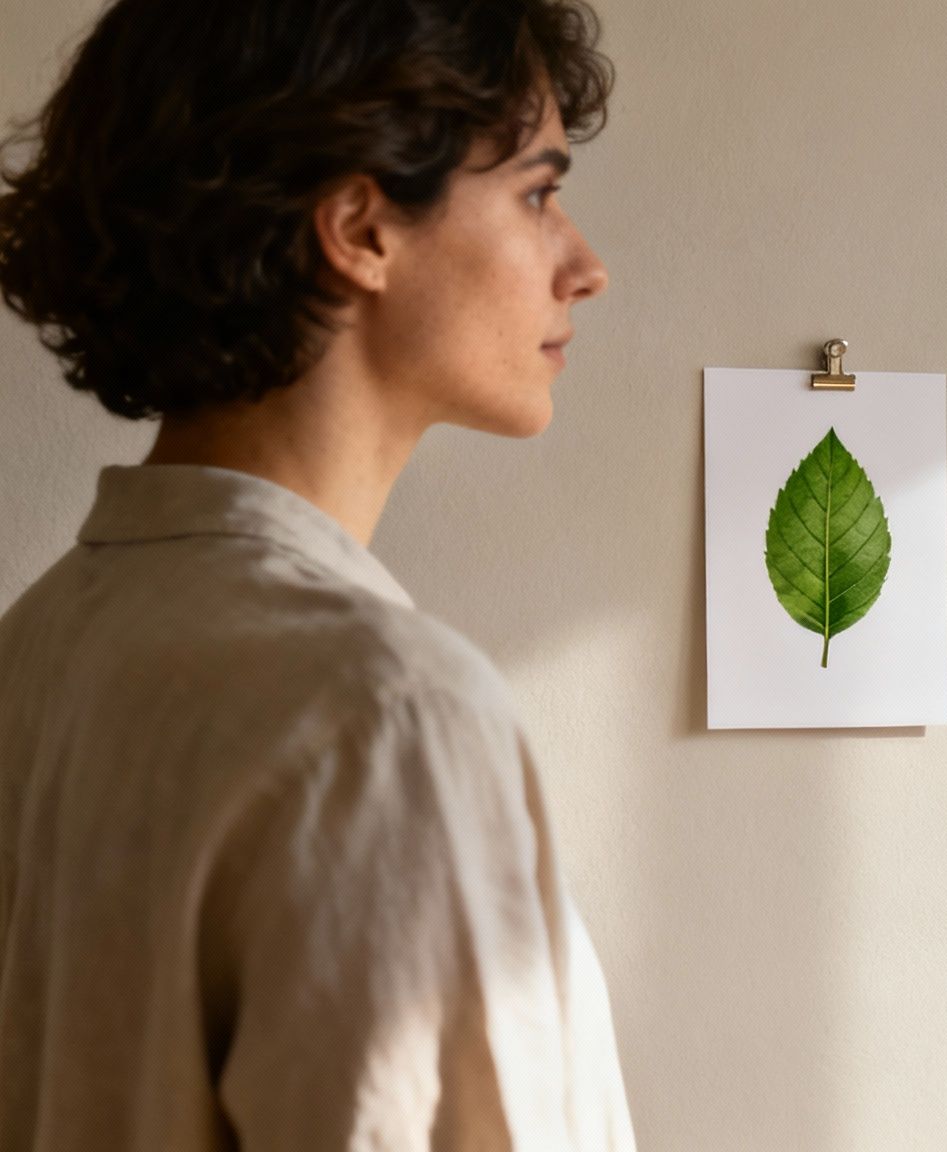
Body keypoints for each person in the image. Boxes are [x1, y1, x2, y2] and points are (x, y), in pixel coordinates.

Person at [0, 0, 634, 1147]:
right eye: (537, 195)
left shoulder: (36, 649)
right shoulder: (384, 714)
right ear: (361, 228)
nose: (584, 267)